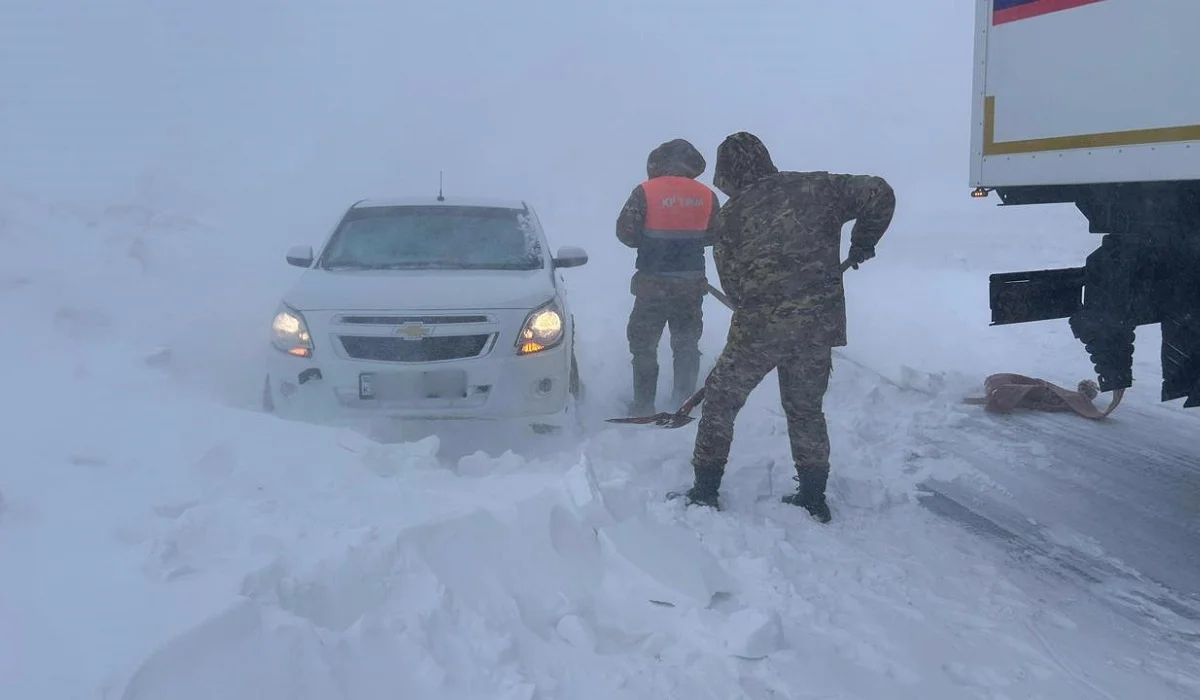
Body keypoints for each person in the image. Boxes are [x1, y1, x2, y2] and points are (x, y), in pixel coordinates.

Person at [682, 132, 896, 523]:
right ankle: (814, 498)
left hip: (758, 331)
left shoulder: (730, 218)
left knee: (721, 402)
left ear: (728, 172)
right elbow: (879, 192)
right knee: (805, 411)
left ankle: (704, 491)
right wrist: (863, 241)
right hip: (816, 326)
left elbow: (733, 286)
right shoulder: (819, 188)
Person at [616, 138, 722, 415]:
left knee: (644, 345)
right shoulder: (707, 195)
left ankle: (643, 405)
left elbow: (625, 234)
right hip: (691, 286)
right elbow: (716, 234)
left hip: (652, 285)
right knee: (686, 344)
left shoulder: (645, 191)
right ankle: (683, 403)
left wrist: (652, 241)